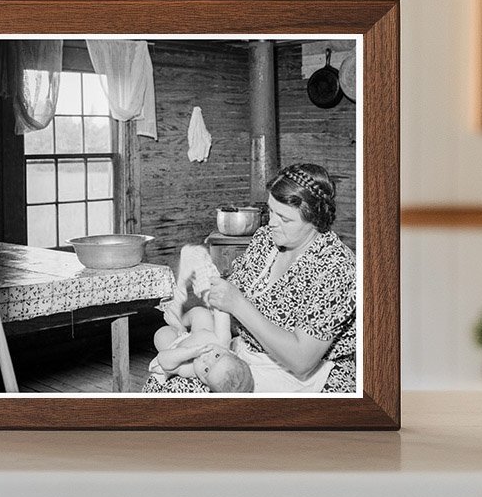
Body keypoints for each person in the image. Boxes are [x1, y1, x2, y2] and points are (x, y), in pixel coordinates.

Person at [145, 163, 357, 395]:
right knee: (163, 386)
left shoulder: (336, 268)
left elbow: (302, 361)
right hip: (248, 354)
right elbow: (233, 294)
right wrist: (200, 298)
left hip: (303, 377)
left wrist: (238, 304)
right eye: (271, 211)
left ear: (315, 221)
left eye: (285, 219)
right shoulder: (267, 240)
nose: (272, 223)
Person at [148, 304, 254, 393]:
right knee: (201, 314)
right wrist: (215, 295)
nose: (206, 359)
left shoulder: (189, 368)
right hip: (197, 334)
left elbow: (163, 359)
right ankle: (182, 320)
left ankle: (178, 327)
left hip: (175, 348)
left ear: (205, 383)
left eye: (206, 370)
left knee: (161, 335)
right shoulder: (222, 341)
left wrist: (189, 353)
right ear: (231, 352)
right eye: (217, 356)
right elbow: (222, 312)